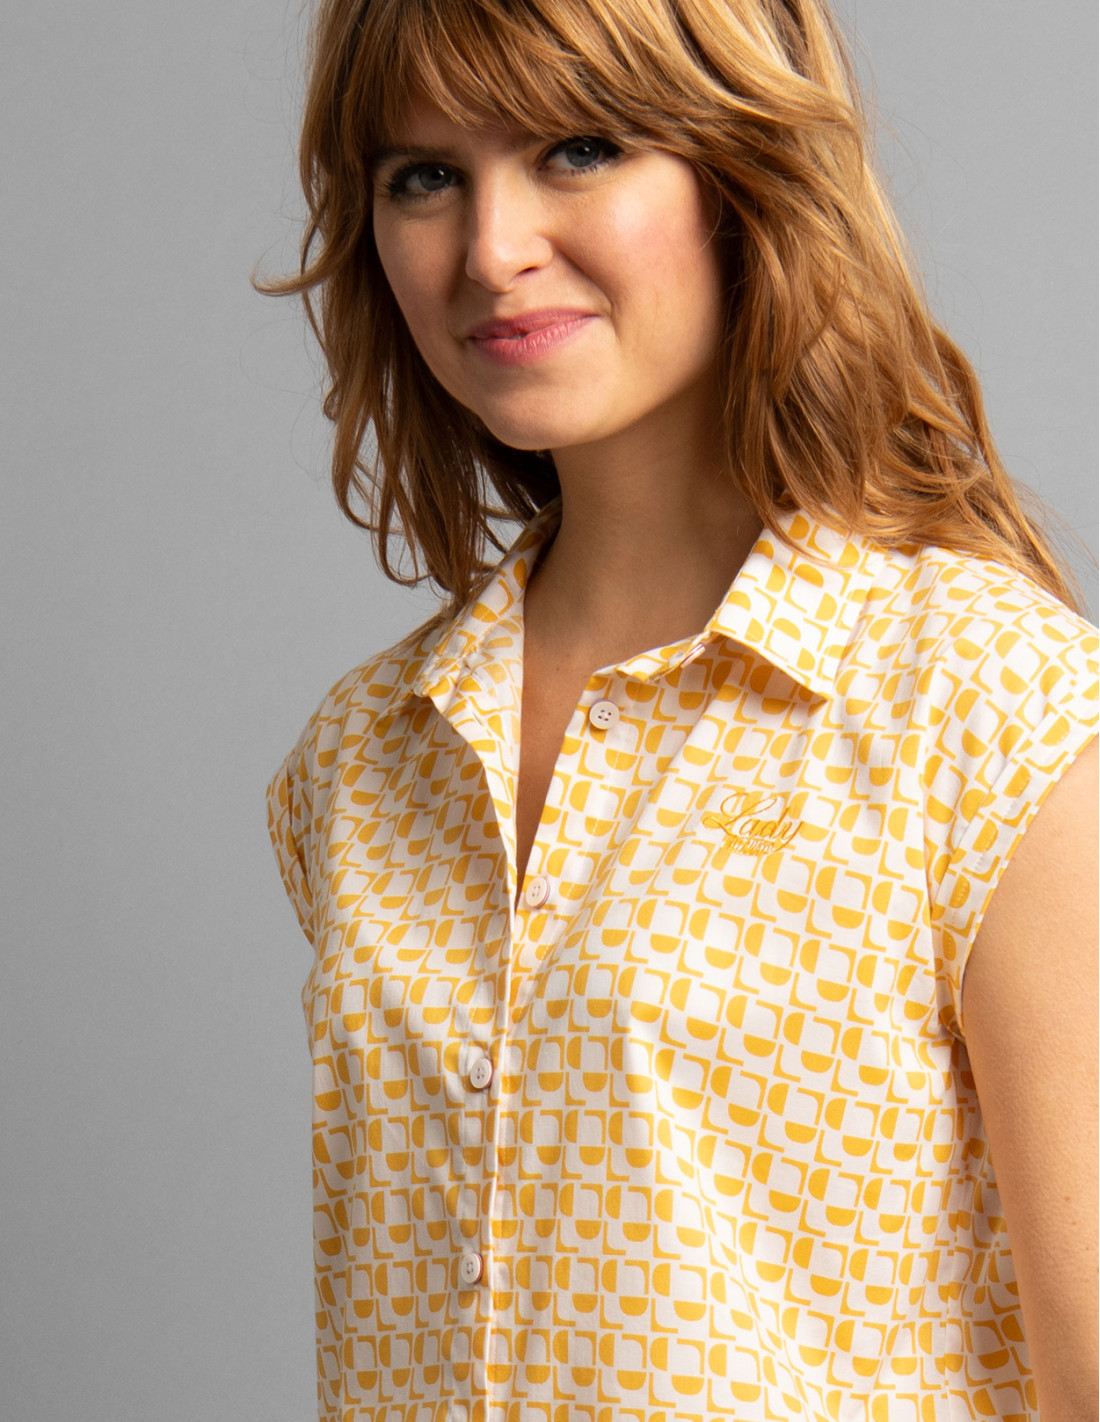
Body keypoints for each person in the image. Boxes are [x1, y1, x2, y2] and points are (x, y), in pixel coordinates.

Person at [261, 1, 1098, 1417]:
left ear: (743, 174)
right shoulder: (366, 756)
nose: (492, 249)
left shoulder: (989, 707)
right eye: (426, 175)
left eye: (579, 148)